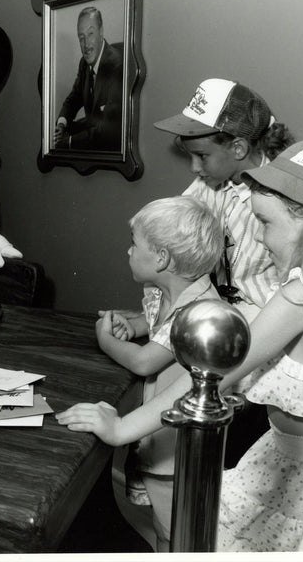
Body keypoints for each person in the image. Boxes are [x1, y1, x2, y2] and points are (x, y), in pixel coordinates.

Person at [56, 136, 303, 552]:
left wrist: (122, 429)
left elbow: (214, 375)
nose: (260, 239)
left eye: (266, 223)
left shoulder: (300, 294)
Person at [153, 78, 296, 468]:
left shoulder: (285, 198)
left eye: (201, 156)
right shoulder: (209, 184)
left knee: (240, 464)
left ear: (238, 148)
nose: (195, 168)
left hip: (267, 352)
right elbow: (173, 236)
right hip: (219, 336)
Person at [96, 195, 224, 551]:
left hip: (177, 449)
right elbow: (157, 326)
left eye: (134, 244)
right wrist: (133, 325)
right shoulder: (170, 293)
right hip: (161, 435)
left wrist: (106, 340)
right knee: (163, 524)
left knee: (175, 531)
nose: (128, 251)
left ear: (162, 258)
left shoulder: (197, 312)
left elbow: (144, 361)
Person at [54, 6, 123, 151]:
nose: (86, 45)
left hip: (109, 148)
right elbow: (73, 99)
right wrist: (61, 124)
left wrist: (69, 142)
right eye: (81, 37)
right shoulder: (84, 64)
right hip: (92, 138)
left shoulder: (117, 65)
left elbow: (108, 130)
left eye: (90, 34)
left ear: (101, 32)